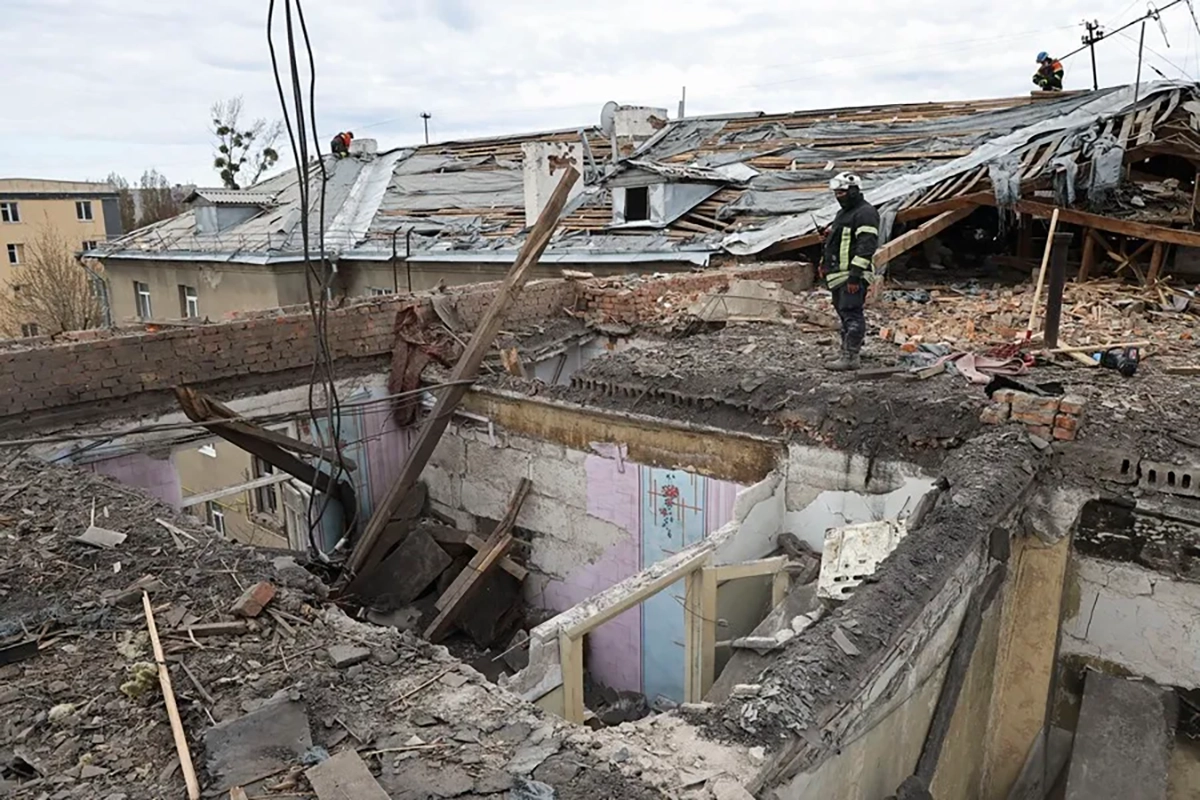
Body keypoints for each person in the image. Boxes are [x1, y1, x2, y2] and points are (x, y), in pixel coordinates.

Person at [820, 172, 879, 371]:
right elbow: (842, 240)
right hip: (838, 274)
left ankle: (851, 357)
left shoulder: (865, 213)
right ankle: (847, 348)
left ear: (854, 191)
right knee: (843, 313)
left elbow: (866, 246)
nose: (838, 196)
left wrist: (855, 275)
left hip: (852, 275)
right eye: (836, 193)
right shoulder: (843, 213)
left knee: (852, 313)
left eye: (842, 192)